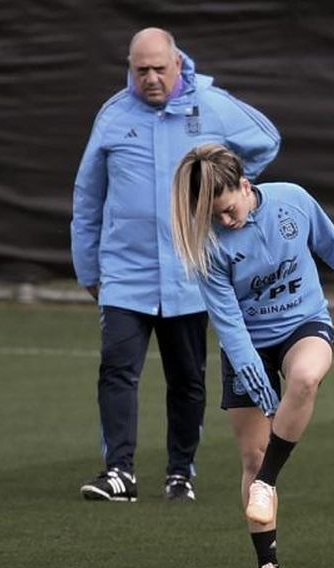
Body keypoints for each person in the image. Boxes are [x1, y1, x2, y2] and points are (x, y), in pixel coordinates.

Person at [169, 144, 334, 568]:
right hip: (246, 343)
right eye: (214, 215)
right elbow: (226, 318)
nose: (224, 221)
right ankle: (267, 564)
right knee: (251, 456)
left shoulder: (293, 200)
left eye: (229, 211)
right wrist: (246, 364)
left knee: (306, 378)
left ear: (246, 186)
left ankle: (267, 483)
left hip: (303, 324)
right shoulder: (209, 243)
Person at [72, 27, 280, 502]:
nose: (149, 78)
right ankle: (119, 471)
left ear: (177, 63)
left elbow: (266, 141)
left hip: (192, 272)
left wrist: (227, 188)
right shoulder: (113, 116)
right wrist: (89, 269)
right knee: (117, 369)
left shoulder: (212, 104)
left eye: (158, 69)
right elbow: (88, 196)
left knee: (187, 378)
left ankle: (179, 472)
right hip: (126, 272)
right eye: (139, 69)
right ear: (130, 67)